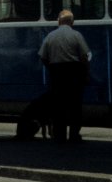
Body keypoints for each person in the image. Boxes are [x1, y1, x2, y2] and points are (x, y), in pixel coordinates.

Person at [38, 9, 90, 144]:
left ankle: (59, 136)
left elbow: (42, 56)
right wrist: (84, 72)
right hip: (73, 73)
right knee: (75, 106)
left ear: (58, 21)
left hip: (56, 74)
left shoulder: (50, 36)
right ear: (72, 22)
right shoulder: (76, 35)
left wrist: (51, 67)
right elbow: (84, 56)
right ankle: (74, 135)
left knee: (58, 106)